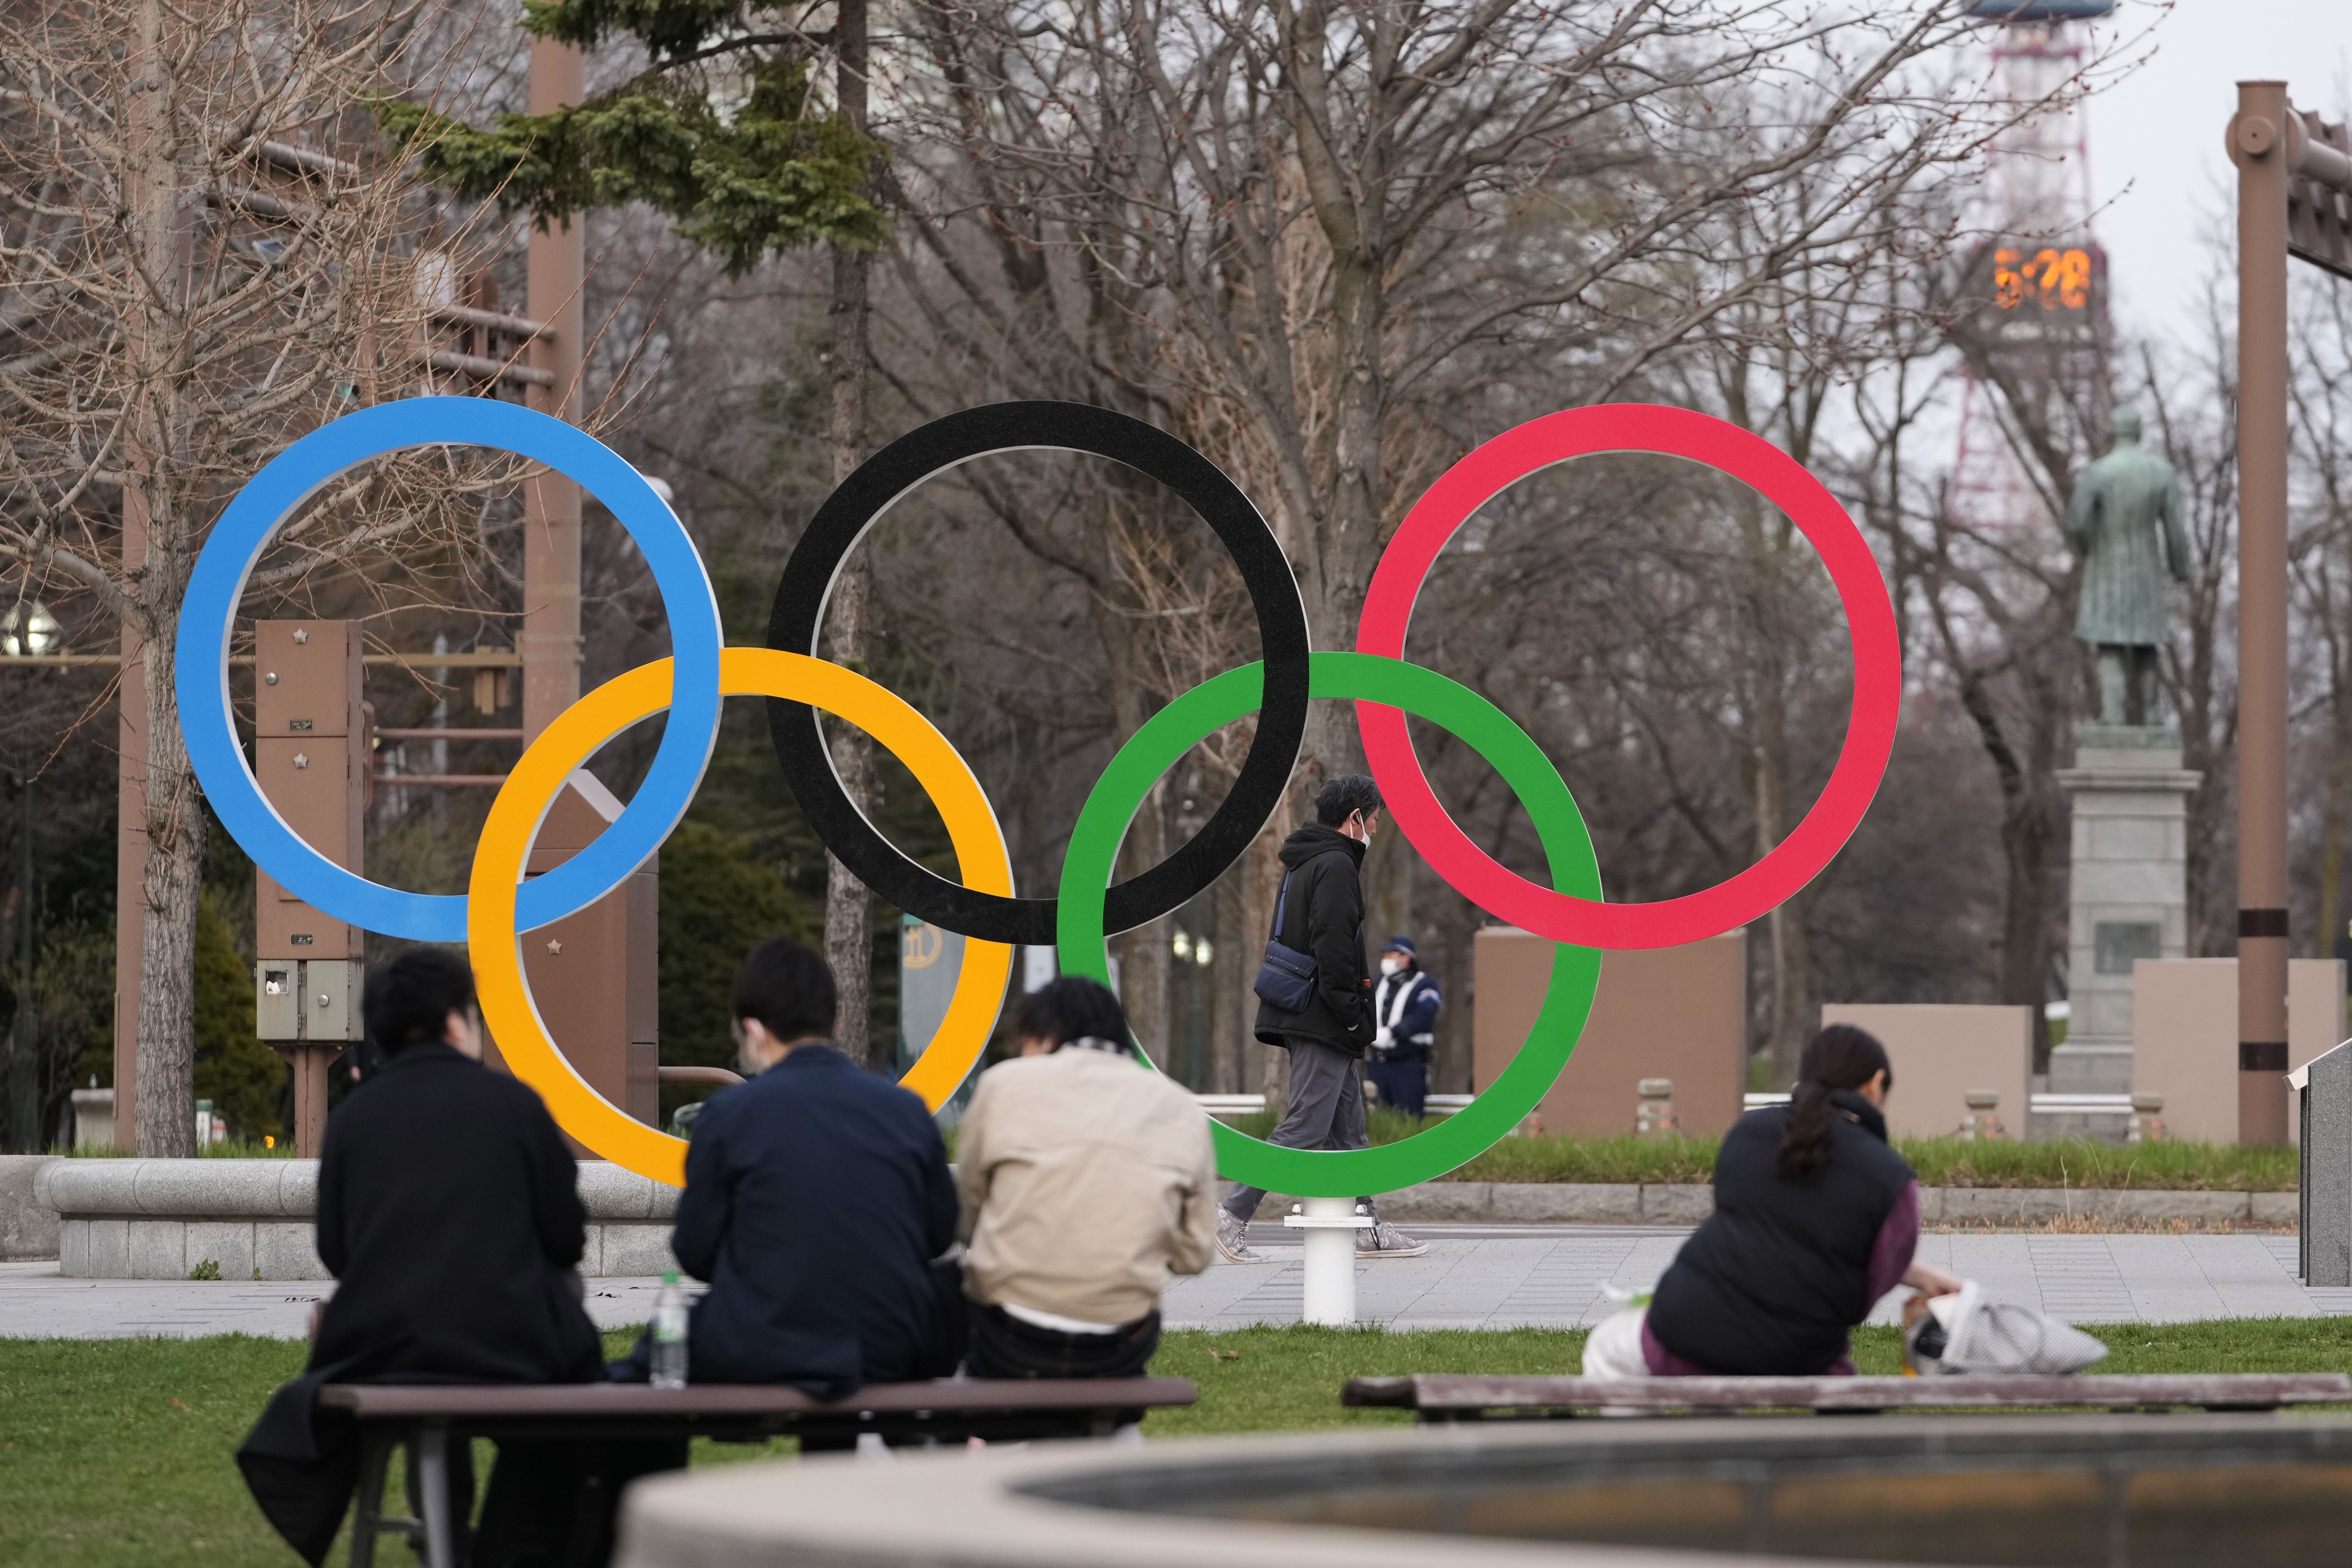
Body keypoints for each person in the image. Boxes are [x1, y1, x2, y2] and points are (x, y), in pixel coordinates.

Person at [238, 947, 660, 1568]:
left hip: (388, 1344)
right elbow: (566, 1238)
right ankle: (512, 1539)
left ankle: (448, 1533)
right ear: (459, 1021)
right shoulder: (515, 1105)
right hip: (510, 1341)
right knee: (536, 1308)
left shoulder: (354, 1120)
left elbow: (336, 1249)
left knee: (432, 1328)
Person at [618, 936, 958, 1394]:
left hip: (761, 1343)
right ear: (836, 1023)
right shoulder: (906, 1112)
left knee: (653, 1359)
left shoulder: (730, 1115)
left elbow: (696, 1250)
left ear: (754, 1031)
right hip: (894, 1343)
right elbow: (939, 1234)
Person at [1582, 1025, 1964, 1378]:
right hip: (1800, 1357)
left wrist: (1916, 1272)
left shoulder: (1749, 1133)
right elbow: (1854, 1283)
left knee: (1605, 1348)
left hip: (1686, 1331)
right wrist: (1912, 1275)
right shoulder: (1893, 1179)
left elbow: (1767, 1236)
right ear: (1876, 1083)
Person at [955, 976, 1215, 1378]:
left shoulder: (1003, 1086)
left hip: (1010, 1334)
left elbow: (966, 1217)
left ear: (1045, 1035)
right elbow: (1195, 1254)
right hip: (1120, 1340)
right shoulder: (1181, 1108)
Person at [1218, 774, 1426, 1264]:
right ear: (1355, 817)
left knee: (1349, 1131)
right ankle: (1231, 1215)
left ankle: (1366, 1227)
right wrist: (1353, 1016)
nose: (1377, 826)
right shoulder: (1335, 865)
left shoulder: (1306, 862)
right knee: (1307, 1127)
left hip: (1312, 1012)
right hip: (1324, 1018)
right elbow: (1333, 944)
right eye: (1374, 818)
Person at [1367, 935, 1441, 1120]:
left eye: (1391, 955)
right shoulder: (1378, 983)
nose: (1386, 960)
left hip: (1408, 1063)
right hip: (1377, 1063)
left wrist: (1393, 1033)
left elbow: (1425, 1016)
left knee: (1408, 1119)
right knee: (1378, 1118)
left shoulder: (1424, 985)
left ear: (1406, 958)